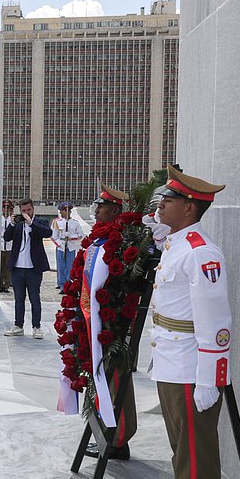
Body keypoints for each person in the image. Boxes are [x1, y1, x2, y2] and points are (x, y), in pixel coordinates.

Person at [145, 166, 230, 479]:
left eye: (170, 200)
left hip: (189, 370)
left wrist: (210, 381)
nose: (161, 204)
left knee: (195, 462)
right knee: (182, 456)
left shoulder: (202, 253)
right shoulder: (178, 242)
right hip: (170, 364)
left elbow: (216, 324)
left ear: (190, 207)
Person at [74, 185, 137, 461]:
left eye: (101, 206)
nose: (96, 209)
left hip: (111, 324)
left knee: (113, 379)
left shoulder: (119, 240)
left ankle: (118, 439)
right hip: (97, 321)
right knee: (102, 378)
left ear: (114, 210)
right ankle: (107, 433)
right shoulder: (97, 239)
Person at [3, 198, 51, 338]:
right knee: (19, 299)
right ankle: (18, 326)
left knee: (35, 298)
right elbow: (6, 238)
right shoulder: (17, 224)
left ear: (33, 209)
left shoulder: (40, 222)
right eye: (23, 211)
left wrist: (31, 223)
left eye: (28, 210)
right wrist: (11, 224)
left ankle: (37, 326)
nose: (26, 213)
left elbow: (47, 233)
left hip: (33, 268)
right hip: (17, 268)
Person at [51, 202, 83, 292]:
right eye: (65, 210)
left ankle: (68, 284)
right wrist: (59, 244)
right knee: (61, 266)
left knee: (70, 266)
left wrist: (71, 237)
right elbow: (53, 236)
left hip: (70, 246)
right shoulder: (57, 222)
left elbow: (80, 235)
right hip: (61, 246)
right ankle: (61, 285)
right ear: (61, 212)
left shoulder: (75, 223)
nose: (67, 212)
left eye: (69, 210)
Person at [0, 200, 14, 293]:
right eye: (4, 207)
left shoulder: (12, 219)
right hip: (0, 244)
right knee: (0, 267)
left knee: (7, 268)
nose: (6, 209)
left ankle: (7, 285)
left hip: (9, 245)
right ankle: (0, 285)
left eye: (8, 208)